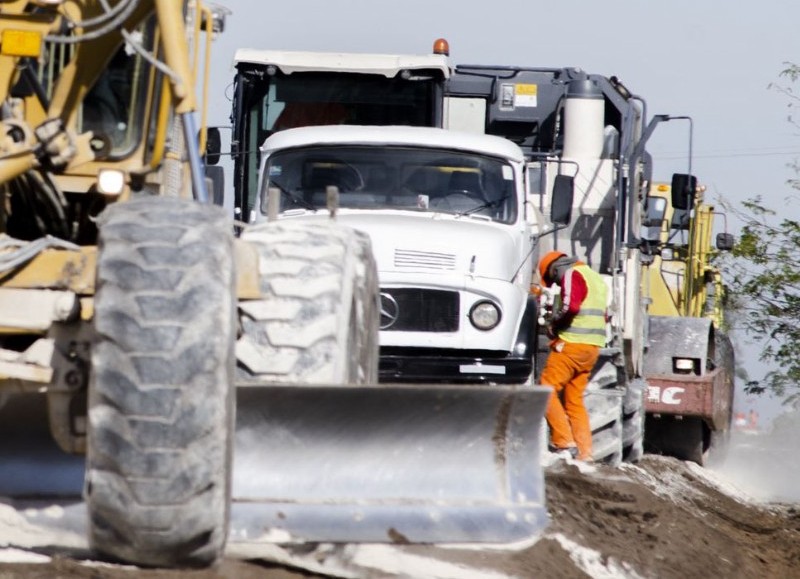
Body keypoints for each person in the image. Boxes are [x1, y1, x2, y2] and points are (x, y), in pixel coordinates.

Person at [537, 250, 608, 461]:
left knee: (546, 390)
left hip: (572, 344)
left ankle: (563, 442)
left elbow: (571, 306)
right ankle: (585, 452)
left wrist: (554, 324)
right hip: (592, 348)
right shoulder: (595, 277)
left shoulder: (572, 274)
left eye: (552, 278)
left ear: (555, 269)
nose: (554, 283)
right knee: (574, 400)